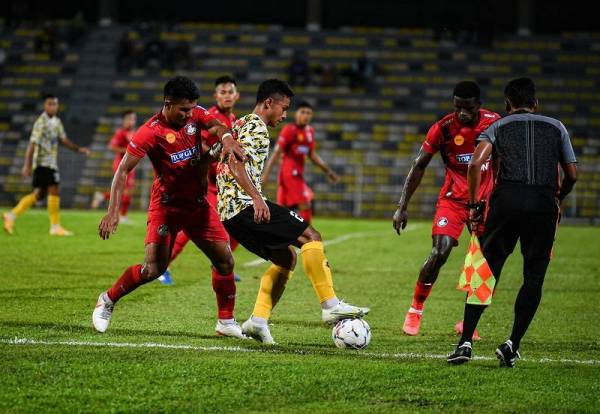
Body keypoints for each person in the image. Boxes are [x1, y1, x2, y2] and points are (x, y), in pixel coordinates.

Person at [212, 79, 369, 344]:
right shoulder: (256, 127)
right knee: (311, 235)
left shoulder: (238, 124)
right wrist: (257, 199)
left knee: (286, 258)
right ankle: (330, 305)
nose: (285, 115)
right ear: (268, 103)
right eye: (283, 108)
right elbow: (234, 163)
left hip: (229, 214)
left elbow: (215, 152)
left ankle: (258, 322)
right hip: (245, 205)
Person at [92, 76, 247, 339]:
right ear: (168, 104)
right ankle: (107, 299)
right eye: (184, 110)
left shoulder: (195, 114)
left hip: (198, 206)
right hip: (166, 208)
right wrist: (112, 211)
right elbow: (122, 171)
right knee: (153, 270)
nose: (190, 115)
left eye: (192, 109)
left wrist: (229, 139)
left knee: (225, 261)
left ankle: (226, 321)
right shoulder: (150, 131)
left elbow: (217, 126)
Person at [447, 77, 578, 367]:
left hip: (506, 201)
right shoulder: (557, 127)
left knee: (486, 272)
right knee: (534, 276)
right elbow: (572, 173)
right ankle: (512, 344)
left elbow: (473, 165)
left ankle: (465, 342)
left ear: (507, 105)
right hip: (543, 203)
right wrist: (560, 196)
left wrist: (472, 205)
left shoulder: (497, 126)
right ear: (536, 103)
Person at [392, 81, 500, 337]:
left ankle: (468, 323)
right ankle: (415, 310)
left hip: (485, 202)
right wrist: (402, 206)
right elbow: (419, 165)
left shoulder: (494, 123)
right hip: (453, 201)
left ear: (479, 105)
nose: (462, 113)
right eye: (457, 107)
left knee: (486, 263)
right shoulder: (444, 128)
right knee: (439, 252)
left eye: (468, 108)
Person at [159, 75, 242, 285]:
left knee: (237, 225)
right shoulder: (208, 117)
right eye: (222, 92)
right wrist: (218, 153)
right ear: (216, 96)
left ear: (236, 95)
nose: (227, 96)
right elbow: (197, 145)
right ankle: (163, 267)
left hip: (224, 184)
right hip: (206, 183)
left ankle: (222, 264)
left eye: (230, 92)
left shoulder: (233, 120)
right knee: (194, 227)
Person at [3, 94, 90, 236]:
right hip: (43, 162)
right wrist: (27, 165)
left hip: (51, 162)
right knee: (54, 189)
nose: (52, 106)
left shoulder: (56, 122)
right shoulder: (41, 122)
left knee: (39, 194)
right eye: (50, 104)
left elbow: (63, 140)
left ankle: (11, 215)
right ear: (45, 106)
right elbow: (32, 144)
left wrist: (79, 149)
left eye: (55, 104)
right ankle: (55, 227)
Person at [262, 101, 339, 223]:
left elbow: (312, 155)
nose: (306, 115)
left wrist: (328, 171)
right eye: (303, 112)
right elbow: (276, 153)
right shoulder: (289, 130)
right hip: (290, 175)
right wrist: (265, 175)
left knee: (283, 210)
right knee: (305, 205)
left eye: (309, 113)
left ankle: (282, 239)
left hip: (295, 175)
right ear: (296, 114)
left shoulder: (310, 132)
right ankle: (308, 238)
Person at [91, 110, 137, 223]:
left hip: (130, 165)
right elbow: (112, 146)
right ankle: (123, 216)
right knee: (126, 191)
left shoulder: (133, 132)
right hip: (121, 165)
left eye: (133, 119)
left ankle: (102, 196)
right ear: (124, 120)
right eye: (130, 119)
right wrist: (128, 151)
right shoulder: (121, 132)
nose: (132, 121)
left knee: (128, 191)